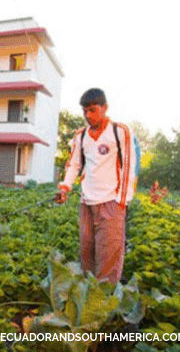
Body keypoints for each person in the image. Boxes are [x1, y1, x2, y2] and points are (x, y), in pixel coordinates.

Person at [55, 88, 139, 285]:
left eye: (93, 110)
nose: (88, 115)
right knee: (87, 253)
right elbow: (74, 164)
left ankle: (104, 305)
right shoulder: (81, 136)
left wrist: (122, 201)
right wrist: (65, 187)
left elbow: (129, 167)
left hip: (111, 202)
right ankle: (88, 297)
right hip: (86, 203)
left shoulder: (120, 132)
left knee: (108, 256)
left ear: (105, 108)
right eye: (85, 111)